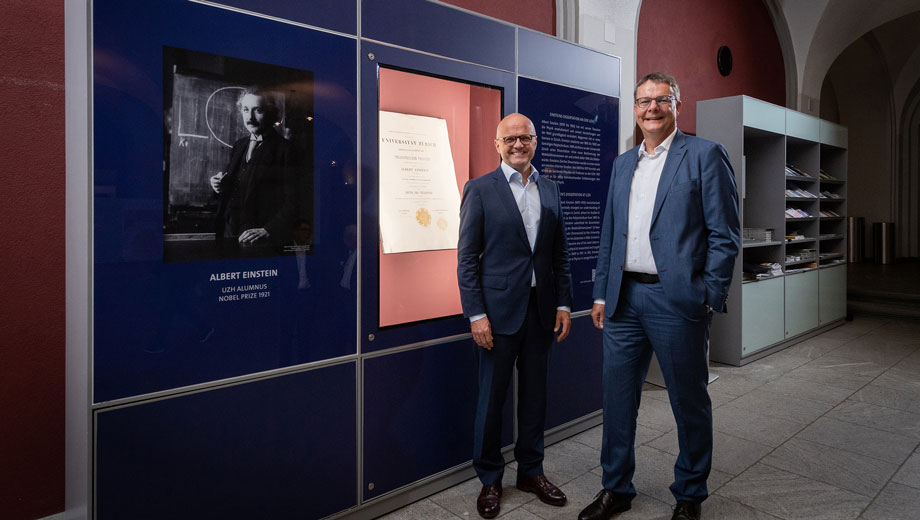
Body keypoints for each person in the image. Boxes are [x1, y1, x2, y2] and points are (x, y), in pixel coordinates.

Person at [578, 73, 740, 520]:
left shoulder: (705, 155)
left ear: (677, 105)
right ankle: (616, 487)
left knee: (688, 401)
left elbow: (725, 235)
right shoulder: (623, 163)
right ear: (634, 108)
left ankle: (689, 494)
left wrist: (708, 294)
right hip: (623, 300)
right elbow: (610, 234)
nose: (651, 108)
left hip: (678, 301)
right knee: (617, 399)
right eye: (643, 100)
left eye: (661, 100)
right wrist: (600, 294)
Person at [457, 113, 574, 519]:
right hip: (497, 315)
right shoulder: (480, 189)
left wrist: (563, 303)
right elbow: (467, 259)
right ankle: (490, 478)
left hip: (541, 313)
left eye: (525, 137)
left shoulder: (550, 189)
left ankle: (531, 471)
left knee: (536, 397)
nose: (518, 145)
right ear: (497, 144)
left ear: (535, 141)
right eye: (510, 139)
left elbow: (559, 254)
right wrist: (475, 314)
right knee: (492, 400)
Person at [211, 88, 297, 248]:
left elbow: (295, 201)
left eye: (257, 110)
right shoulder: (239, 145)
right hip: (229, 232)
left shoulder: (286, 150)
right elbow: (235, 187)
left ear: (271, 113)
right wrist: (219, 186)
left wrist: (267, 230)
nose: (249, 118)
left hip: (261, 240)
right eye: (245, 110)